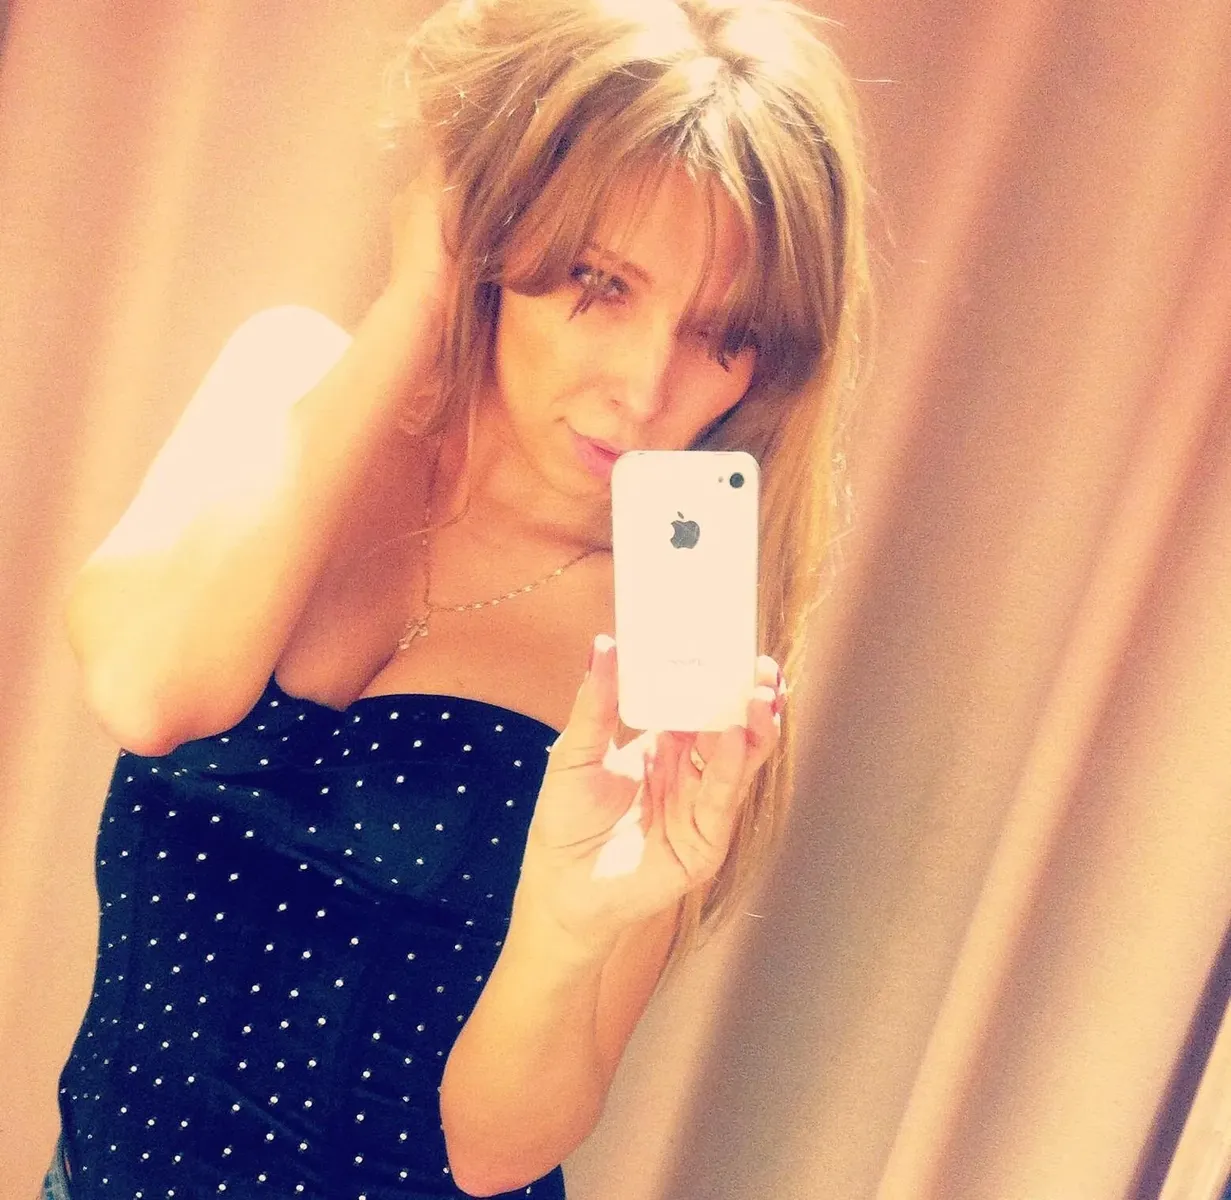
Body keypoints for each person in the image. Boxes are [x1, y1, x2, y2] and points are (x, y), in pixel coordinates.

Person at [49, 0, 869, 1195]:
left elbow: (495, 1153)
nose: (644, 387)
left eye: (721, 333)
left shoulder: (668, 640)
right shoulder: (288, 382)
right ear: (492, 229)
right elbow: (150, 692)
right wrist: (415, 306)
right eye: (599, 282)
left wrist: (568, 927)